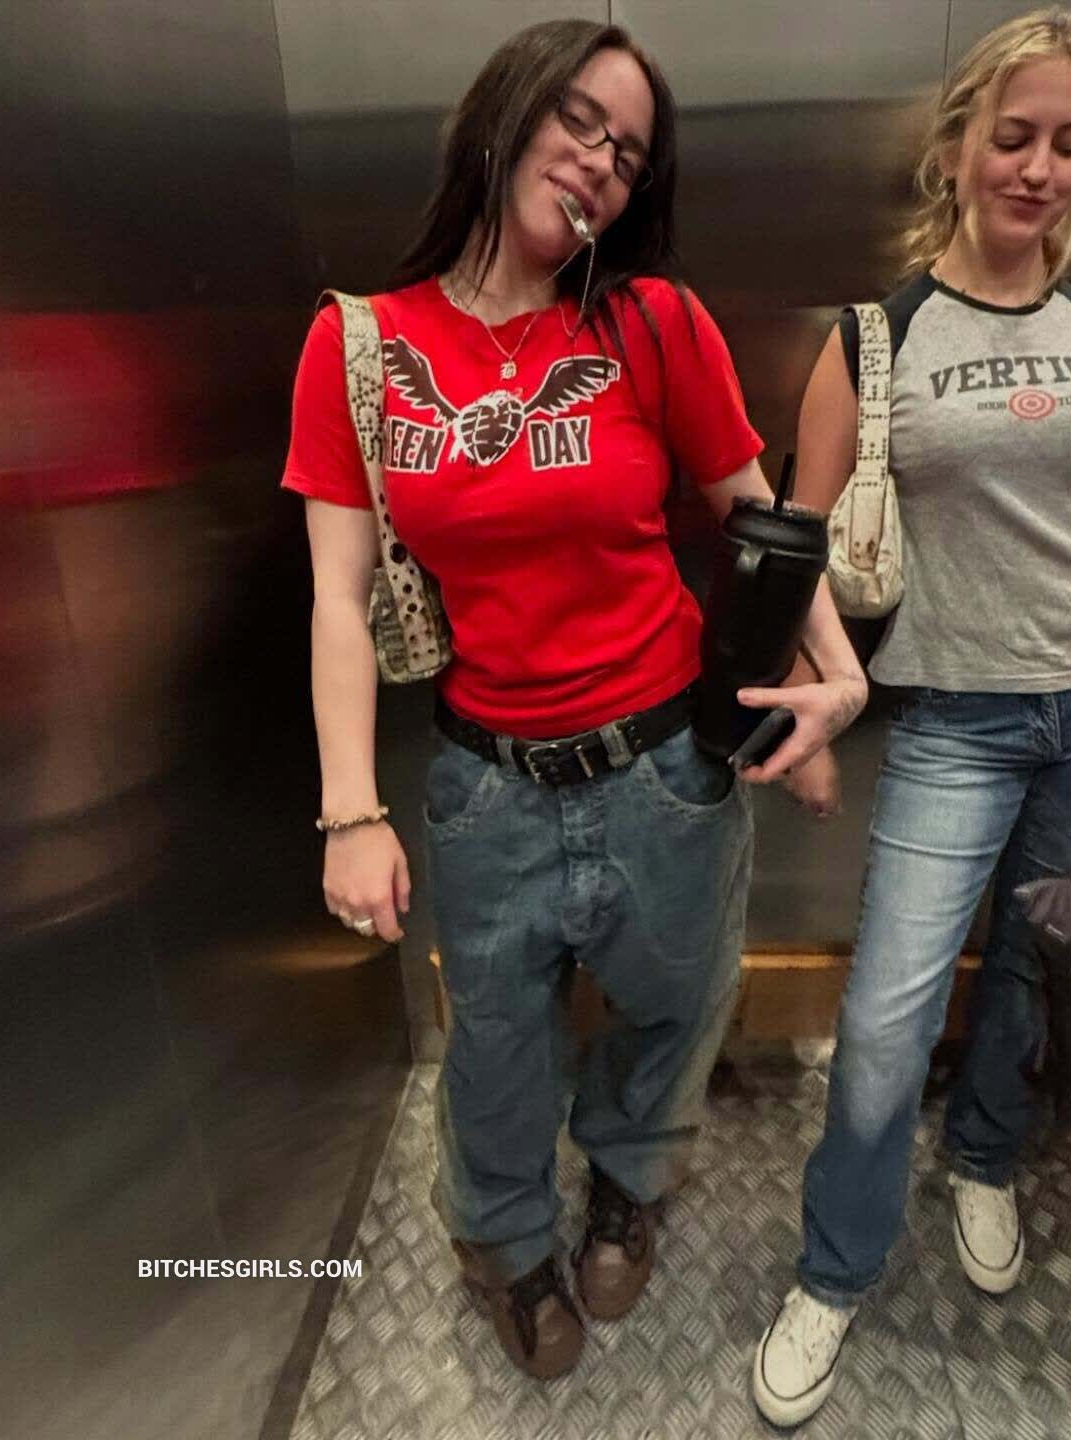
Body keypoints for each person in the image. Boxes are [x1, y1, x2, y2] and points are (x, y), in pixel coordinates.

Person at [280, 20, 866, 1381]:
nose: (602, 161)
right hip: (490, 788)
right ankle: (506, 1245)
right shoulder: (362, 346)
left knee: (676, 1011)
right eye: (581, 120)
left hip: (669, 772)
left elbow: (760, 517)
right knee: (495, 1053)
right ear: (507, 112)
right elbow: (336, 600)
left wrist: (837, 679)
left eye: (630, 153)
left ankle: (628, 1184)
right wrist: (349, 813)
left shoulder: (652, 322)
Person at [751, 7, 1071, 1425]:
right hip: (956, 721)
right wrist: (821, 702)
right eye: (1014, 136)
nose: (1038, 168)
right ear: (958, 143)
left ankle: (984, 1157)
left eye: (1070, 145)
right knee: (887, 1013)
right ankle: (835, 1271)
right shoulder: (879, 337)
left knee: (1032, 963)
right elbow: (795, 541)